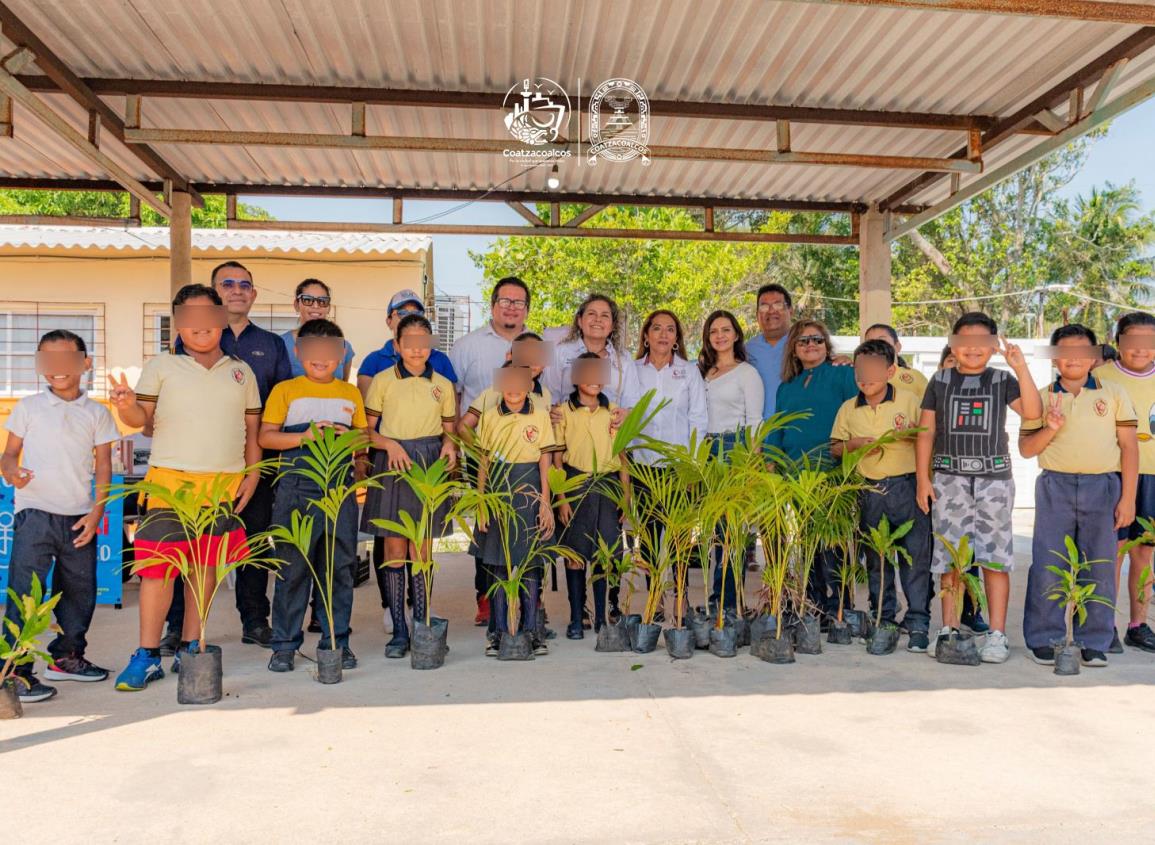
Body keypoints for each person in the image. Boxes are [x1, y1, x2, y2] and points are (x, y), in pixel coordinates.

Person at [109, 284, 262, 691]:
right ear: (178, 324)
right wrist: (125, 402)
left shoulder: (240, 371)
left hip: (222, 487)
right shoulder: (161, 366)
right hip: (169, 485)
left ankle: (192, 646)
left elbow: (251, 431)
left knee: (204, 571)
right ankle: (146, 655)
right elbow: (140, 421)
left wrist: (253, 473)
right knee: (158, 573)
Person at [167, 261, 291, 650]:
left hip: (255, 463)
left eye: (245, 285)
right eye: (228, 284)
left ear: (253, 294)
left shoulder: (271, 344)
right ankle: (177, 626)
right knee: (187, 546)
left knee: (254, 543)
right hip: (199, 463)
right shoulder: (187, 343)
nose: (237, 290)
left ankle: (255, 620)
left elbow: (282, 403)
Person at [0, 330, 121, 703]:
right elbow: (9, 456)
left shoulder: (98, 413)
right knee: (25, 595)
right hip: (34, 514)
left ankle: (66, 657)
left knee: (79, 592)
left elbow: (103, 466)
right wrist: (11, 472)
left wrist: (97, 510)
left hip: (78, 517)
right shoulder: (28, 408)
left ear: (85, 364)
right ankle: (14, 672)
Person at [915, 312, 1042, 664]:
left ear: (994, 345)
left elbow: (1033, 412)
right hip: (948, 481)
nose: (973, 348)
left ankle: (997, 634)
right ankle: (949, 629)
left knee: (995, 557)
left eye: (983, 342)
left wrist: (1020, 366)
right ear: (953, 344)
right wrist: (923, 479)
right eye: (965, 340)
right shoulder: (939, 381)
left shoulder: (1003, 380)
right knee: (950, 559)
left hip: (994, 482)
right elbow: (926, 433)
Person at [1020, 324, 1137, 667]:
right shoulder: (1040, 396)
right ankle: (1045, 637)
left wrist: (1127, 497)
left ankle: (1094, 640)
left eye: (1081, 351)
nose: (1073, 358)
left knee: (1099, 564)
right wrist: (1050, 427)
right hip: (1054, 486)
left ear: (1094, 356)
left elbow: (1129, 447)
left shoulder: (1113, 392)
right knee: (1048, 563)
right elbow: (1027, 448)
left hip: (1102, 487)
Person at [260, 319, 369, 673]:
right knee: (293, 569)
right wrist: (304, 437)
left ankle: (336, 641)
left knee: (338, 568)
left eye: (329, 351)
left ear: (341, 354)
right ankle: (284, 646)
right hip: (296, 489)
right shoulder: (285, 390)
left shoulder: (350, 394)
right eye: (312, 350)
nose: (321, 358)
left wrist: (346, 436)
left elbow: (364, 440)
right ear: (298, 351)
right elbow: (266, 438)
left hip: (338, 490)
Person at [357, 289, 457, 635]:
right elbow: (366, 432)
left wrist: (449, 447)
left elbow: (450, 432)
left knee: (422, 546)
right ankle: (399, 628)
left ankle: (423, 622)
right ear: (397, 345)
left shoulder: (442, 385)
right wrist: (389, 444)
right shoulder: (382, 381)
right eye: (409, 341)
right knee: (395, 546)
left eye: (423, 340)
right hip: (392, 464)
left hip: (428, 466)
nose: (416, 347)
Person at [830, 339, 932, 652]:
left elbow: (926, 440)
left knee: (915, 558)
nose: (866, 377)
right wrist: (855, 444)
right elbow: (834, 447)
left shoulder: (911, 400)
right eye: (861, 370)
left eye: (874, 370)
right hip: (869, 490)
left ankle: (917, 622)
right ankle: (884, 618)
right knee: (877, 559)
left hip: (907, 485)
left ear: (890, 370)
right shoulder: (849, 408)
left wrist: (923, 482)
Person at [450, 276, 533, 626]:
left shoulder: (537, 345)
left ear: (527, 308)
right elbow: (454, 401)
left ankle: (529, 602)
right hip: (481, 458)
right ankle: (486, 600)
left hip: (527, 459)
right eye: (505, 301)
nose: (511, 307)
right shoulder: (467, 345)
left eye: (518, 302)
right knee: (487, 529)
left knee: (525, 528)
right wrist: (460, 448)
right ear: (493, 305)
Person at [767, 319, 859, 622]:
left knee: (832, 542)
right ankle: (814, 604)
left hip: (830, 472)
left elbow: (859, 412)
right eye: (803, 340)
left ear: (827, 346)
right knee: (806, 542)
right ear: (793, 348)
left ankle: (838, 606)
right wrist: (771, 464)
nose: (810, 345)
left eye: (817, 340)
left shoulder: (843, 375)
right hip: (795, 476)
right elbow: (777, 428)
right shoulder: (786, 387)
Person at [473, 364, 557, 655]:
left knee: (531, 564)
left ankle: (533, 631)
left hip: (530, 490)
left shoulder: (540, 414)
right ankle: (497, 633)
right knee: (497, 564)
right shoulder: (490, 416)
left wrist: (545, 502)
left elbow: (545, 460)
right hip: (497, 492)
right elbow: (483, 461)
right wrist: (482, 502)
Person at [632, 310, 708, 618]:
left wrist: (691, 465)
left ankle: (681, 597)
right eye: (657, 329)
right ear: (646, 335)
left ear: (677, 338)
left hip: (679, 467)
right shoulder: (633, 370)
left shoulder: (689, 372)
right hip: (643, 465)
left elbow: (698, 419)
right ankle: (655, 598)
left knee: (679, 538)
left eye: (670, 330)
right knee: (650, 537)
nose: (664, 334)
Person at [555, 353, 631, 639]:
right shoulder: (563, 412)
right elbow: (557, 459)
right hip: (575, 485)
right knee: (575, 554)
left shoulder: (613, 412)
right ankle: (577, 617)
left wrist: (625, 495)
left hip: (608, 485)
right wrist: (561, 497)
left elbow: (623, 457)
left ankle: (601, 616)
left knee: (606, 554)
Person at [1094, 311, 1155, 652]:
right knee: (1111, 553)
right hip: (1112, 476)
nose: (1141, 349)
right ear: (1119, 344)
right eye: (1133, 342)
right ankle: (1104, 626)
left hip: (1153, 478)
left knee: (1144, 555)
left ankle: (1138, 624)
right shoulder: (1099, 377)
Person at [699, 310, 764, 612]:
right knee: (714, 531)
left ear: (736, 334)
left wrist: (750, 462)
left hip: (734, 449)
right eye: (714, 331)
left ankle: (727, 602)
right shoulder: (703, 372)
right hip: (705, 450)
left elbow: (755, 420)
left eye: (726, 330)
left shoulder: (746, 373)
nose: (720, 336)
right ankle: (718, 599)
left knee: (731, 532)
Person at [544, 294, 642, 409]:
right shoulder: (561, 352)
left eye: (605, 316)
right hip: (568, 424)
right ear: (580, 321)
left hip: (609, 425)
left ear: (613, 326)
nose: (598, 319)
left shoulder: (623, 358)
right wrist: (554, 412)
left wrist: (625, 415)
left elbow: (632, 403)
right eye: (591, 314)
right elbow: (548, 395)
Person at [357, 289, 457, 393]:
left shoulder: (441, 360)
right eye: (402, 312)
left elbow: (452, 406)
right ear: (389, 322)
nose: (410, 317)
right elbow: (367, 406)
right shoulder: (373, 361)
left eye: (417, 313)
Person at [281, 279, 355, 380]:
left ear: (328, 307)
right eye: (307, 300)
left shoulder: (343, 346)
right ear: (297, 305)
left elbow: (343, 387)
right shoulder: (280, 344)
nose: (315, 306)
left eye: (322, 301)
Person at [745, 283, 794, 419]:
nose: (771, 311)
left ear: (790, 310)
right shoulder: (747, 350)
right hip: (758, 433)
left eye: (778, 304)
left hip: (796, 430)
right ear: (757, 315)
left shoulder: (805, 344)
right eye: (764, 306)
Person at [863, 323, 929, 400]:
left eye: (882, 341)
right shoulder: (858, 376)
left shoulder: (916, 377)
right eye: (870, 343)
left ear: (897, 346)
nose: (876, 346)